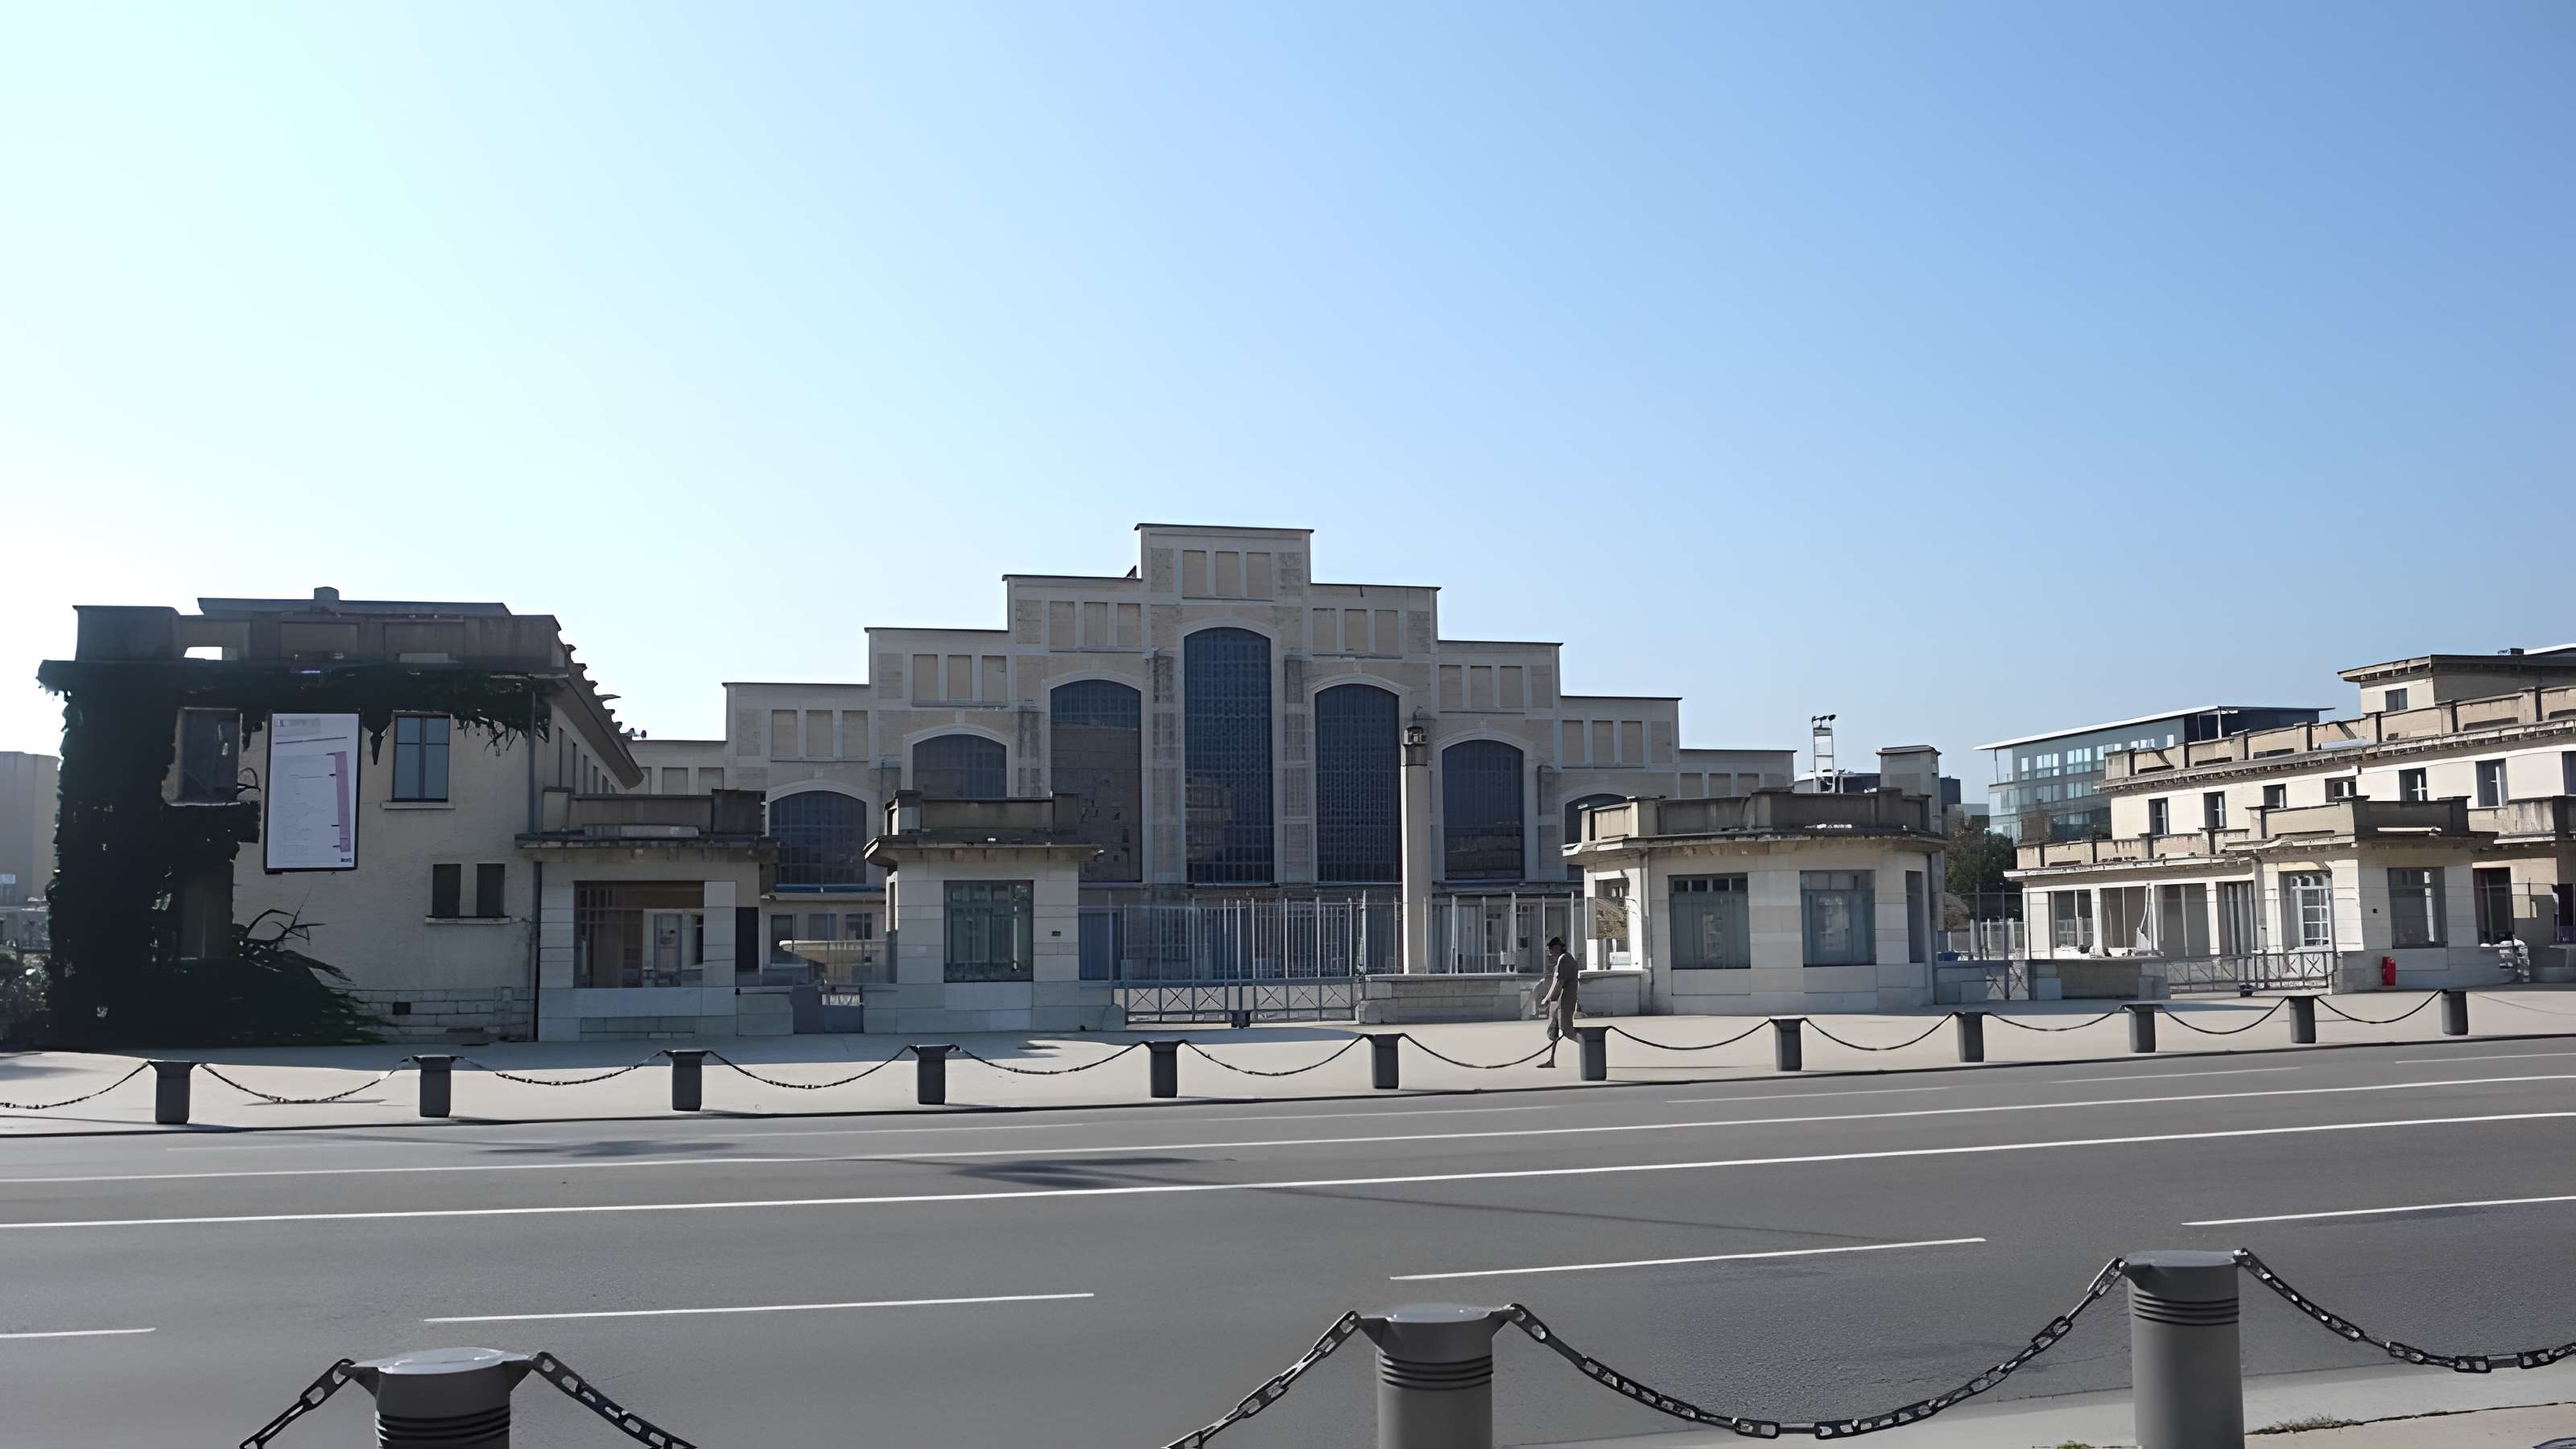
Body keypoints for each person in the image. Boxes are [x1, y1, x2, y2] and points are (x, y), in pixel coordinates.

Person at [1534, 935, 1579, 1066]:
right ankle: (1551, 1060)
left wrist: (1547, 998)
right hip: (1561, 1000)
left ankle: (1589, 1044)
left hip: (1564, 1000)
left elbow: (1558, 983)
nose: (1551, 953)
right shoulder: (1567, 958)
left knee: (1567, 1030)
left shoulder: (1563, 959)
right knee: (1553, 1030)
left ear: (1557, 947)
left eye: (1551, 949)